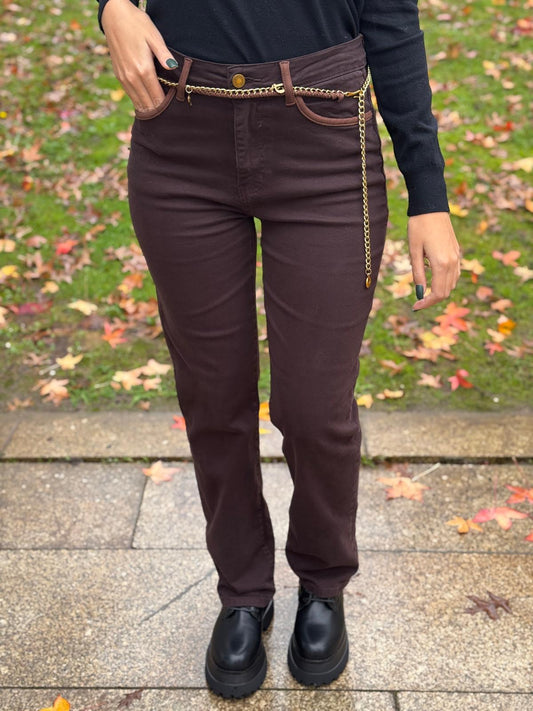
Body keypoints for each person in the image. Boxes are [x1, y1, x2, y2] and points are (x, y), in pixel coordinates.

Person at [96, 0, 461, 699]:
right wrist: (111, 4)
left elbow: (391, 24)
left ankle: (323, 583)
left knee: (316, 408)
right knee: (213, 399)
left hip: (324, 137)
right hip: (180, 135)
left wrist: (429, 194)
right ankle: (242, 593)